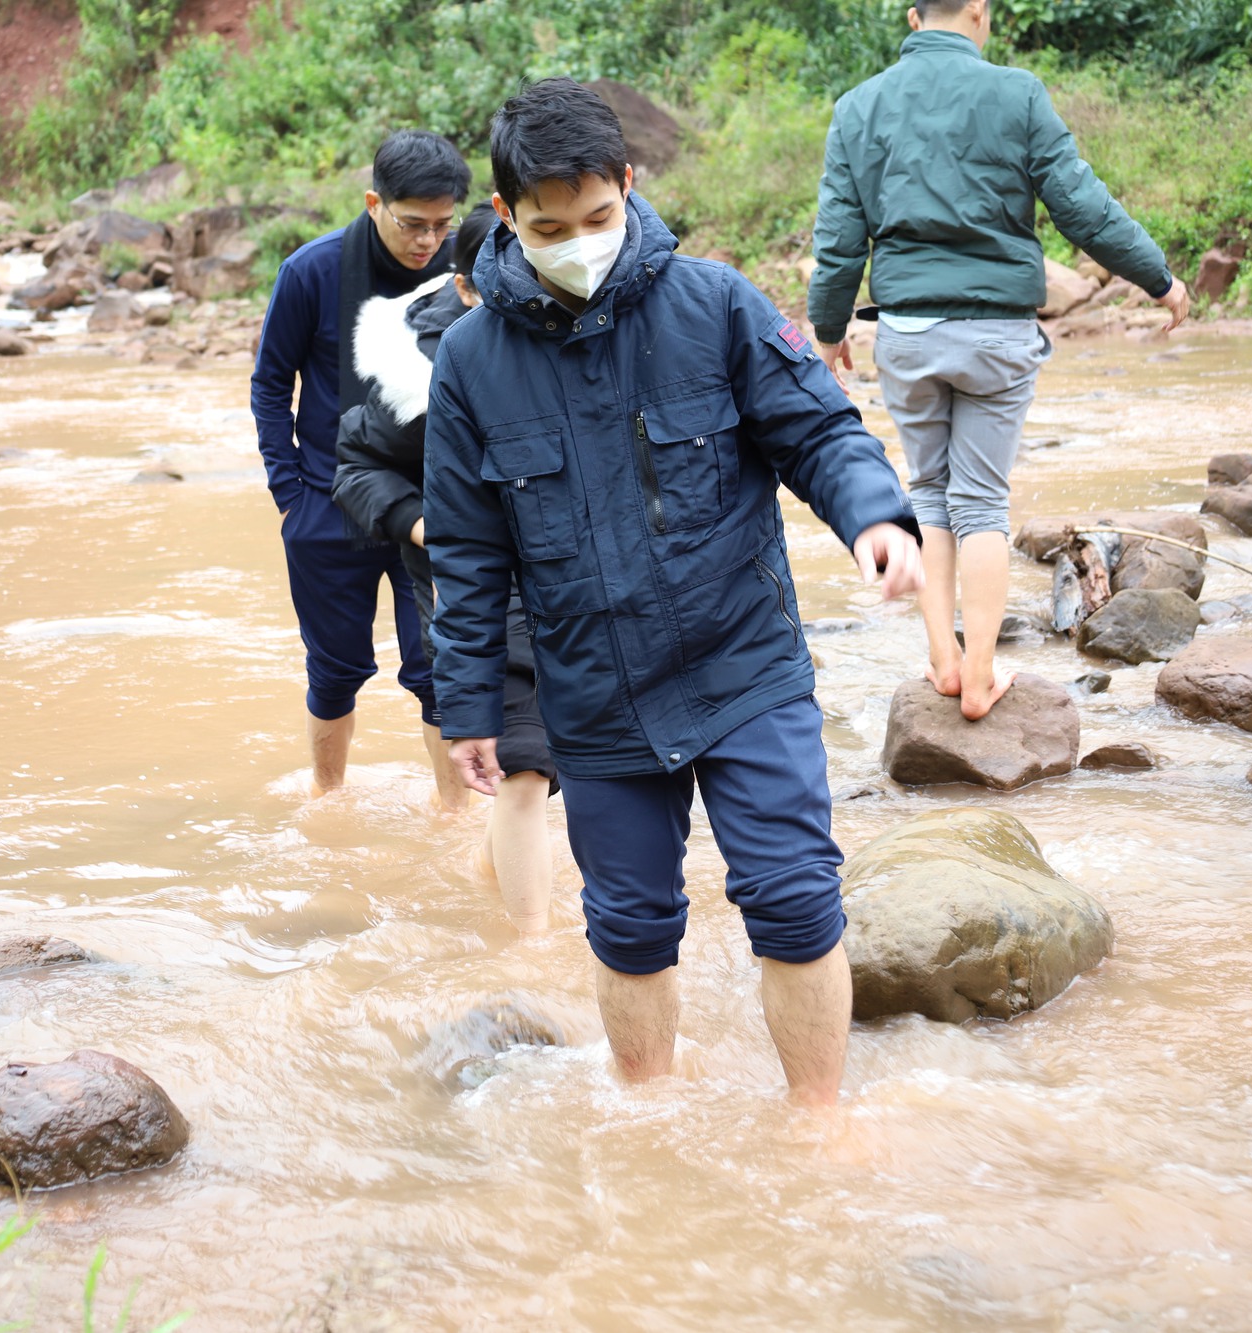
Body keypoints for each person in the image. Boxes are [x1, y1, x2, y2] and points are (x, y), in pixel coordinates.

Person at [423, 79, 924, 1105]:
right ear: (506, 216)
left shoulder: (715, 304)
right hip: (594, 695)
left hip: (742, 663)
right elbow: (469, 554)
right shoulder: (471, 363)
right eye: (550, 226)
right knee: (631, 926)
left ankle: (818, 1124)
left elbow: (817, 429)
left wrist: (874, 515)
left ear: (629, 187)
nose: (580, 241)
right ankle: (646, 1118)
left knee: (791, 899)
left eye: (598, 217)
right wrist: (466, 704)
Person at [810, 0, 1190, 720]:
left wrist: (829, 332)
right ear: (979, 12)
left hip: (908, 333)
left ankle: (943, 662)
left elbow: (839, 241)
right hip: (996, 333)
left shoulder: (859, 107)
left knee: (928, 494)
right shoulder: (1017, 93)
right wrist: (1159, 278)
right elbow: (1083, 208)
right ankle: (982, 675)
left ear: (913, 16)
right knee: (981, 501)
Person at [331, 204, 557, 933]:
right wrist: (421, 522)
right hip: (468, 577)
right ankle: (531, 948)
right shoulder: (418, 376)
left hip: (561, 568)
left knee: (561, 753)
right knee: (523, 759)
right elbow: (355, 465)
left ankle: (489, 867)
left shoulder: (574, 329)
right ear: (465, 287)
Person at [251, 130, 472, 797]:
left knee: (443, 667)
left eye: (442, 225)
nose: (427, 241)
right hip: (327, 502)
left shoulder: (464, 275)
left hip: (433, 508)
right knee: (334, 668)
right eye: (412, 224)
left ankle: (452, 818)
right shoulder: (311, 272)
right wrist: (289, 491)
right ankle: (328, 798)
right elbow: (269, 383)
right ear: (375, 202)